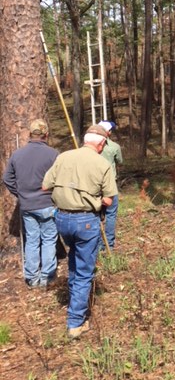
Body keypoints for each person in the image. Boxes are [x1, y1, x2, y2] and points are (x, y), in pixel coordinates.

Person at [42, 124, 117, 339]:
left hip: (62, 219)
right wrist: (94, 199)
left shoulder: (63, 157)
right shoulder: (102, 164)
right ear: (101, 144)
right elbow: (109, 200)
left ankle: (75, 298)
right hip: (85, 221)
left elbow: (45, 186)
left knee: (74, 260)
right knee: (85, 270)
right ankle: (75, 322)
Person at [2, 119, 59, 288]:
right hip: (48, 203)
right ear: (46, 134)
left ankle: (32, 277)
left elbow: (7, 179)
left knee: (32, 240)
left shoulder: (17, 155)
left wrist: (20, 194)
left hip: (27, 205)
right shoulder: (53, 154)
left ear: (30, 134)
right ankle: (46, 277)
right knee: (49, 239)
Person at [98, 120, 123, 249]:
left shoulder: (90, 147)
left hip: (94, 185)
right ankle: (109, 244)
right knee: (111, 214)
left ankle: (96, 242)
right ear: (108, 132)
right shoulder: (114, 147)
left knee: (95, 214)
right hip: (110, 185)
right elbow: (120, 160)